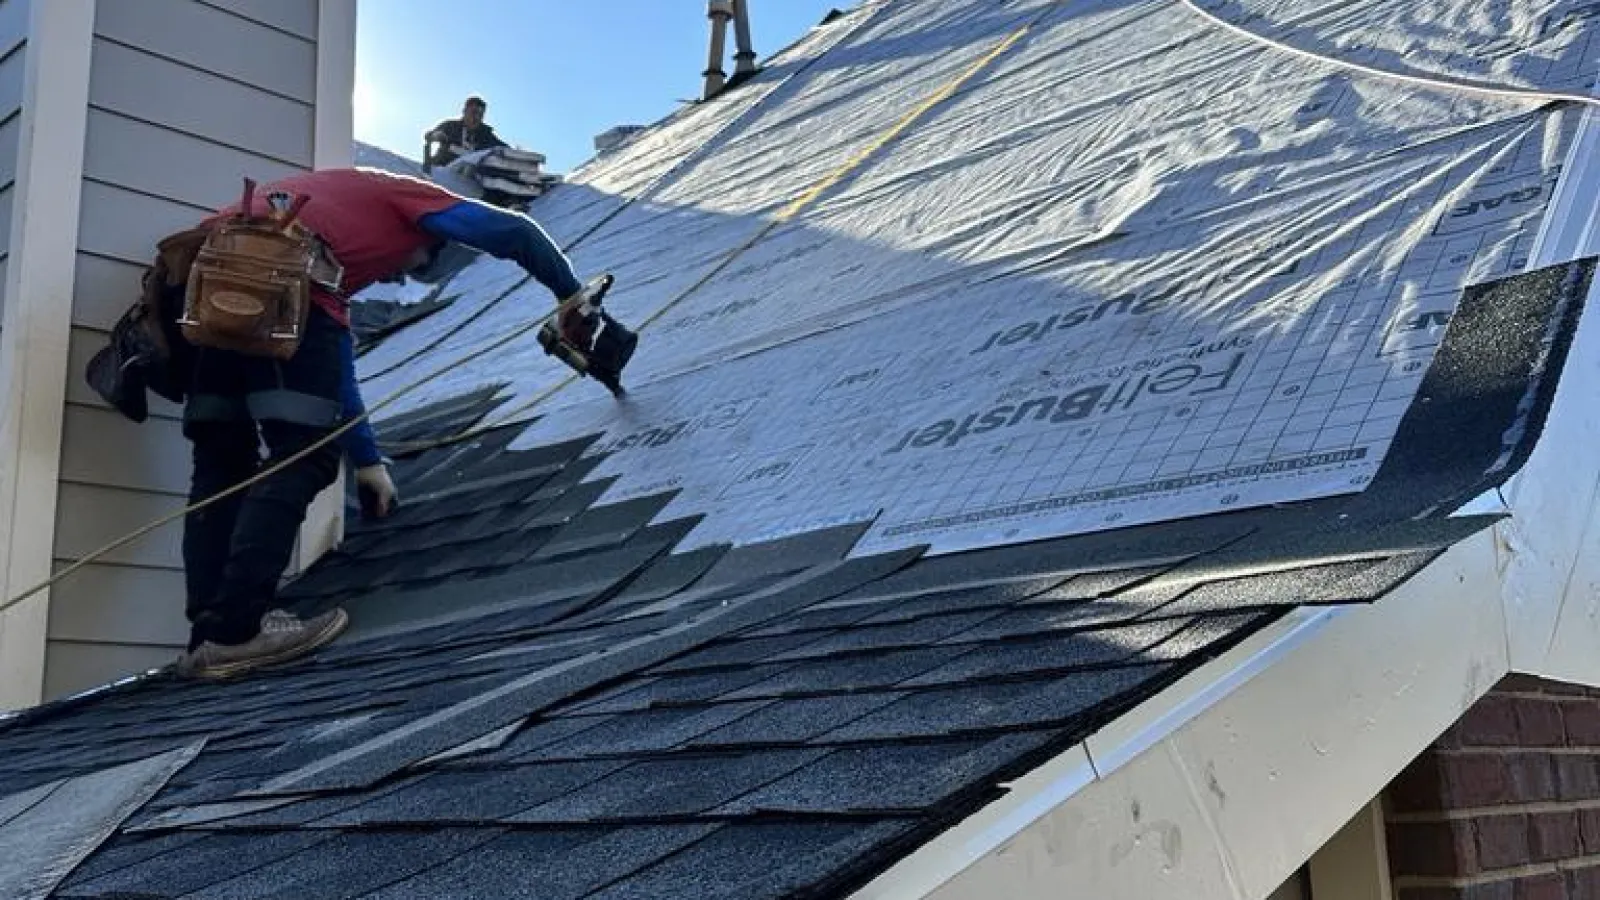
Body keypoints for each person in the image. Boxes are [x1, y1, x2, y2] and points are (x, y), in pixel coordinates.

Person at [175, 167, 631, 679]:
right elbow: (516, 232)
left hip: (202, 285)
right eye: (411, 266)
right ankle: (238, 630)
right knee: (305, 455)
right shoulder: (408, 197)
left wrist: (369, 462)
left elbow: (335, 373)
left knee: (221, 461)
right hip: (279, 281)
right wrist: (573, 297)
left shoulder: (335, 215)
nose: (395, 277)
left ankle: (206, 640)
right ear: (429, 236)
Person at [423, 95, 507, 171]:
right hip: (443, 173)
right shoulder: (450, 126)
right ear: (464, 111)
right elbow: (429, 135)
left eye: (481, 115)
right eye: (474, 113)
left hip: (468, 180)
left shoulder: (486, 135)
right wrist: (436, 136)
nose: (477, 117)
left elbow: (503, 148)